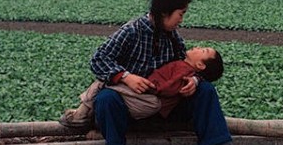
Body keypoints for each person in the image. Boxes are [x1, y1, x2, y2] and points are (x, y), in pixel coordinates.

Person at [86, 0, 232, 145]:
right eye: (181, 14)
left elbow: (190, 65)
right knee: (106, 99)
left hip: (165, 107)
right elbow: (98, 60)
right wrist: (126, 77)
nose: (181, 20)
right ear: (165, 12)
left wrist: (195, 80)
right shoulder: (131, 31)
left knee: (205, 90)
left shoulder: (173, 36)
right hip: (133, 107)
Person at [60, 46, 224, 126]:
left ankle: (82, 113)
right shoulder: (182, 62)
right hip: (149, 98)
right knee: (108, 85)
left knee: (107, 82)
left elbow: (169, 87)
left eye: (203, 50)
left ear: (200, 65)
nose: (197, 47)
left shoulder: (185, 70)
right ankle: (84, 112)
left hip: (151, 99)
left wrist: (151, 86)